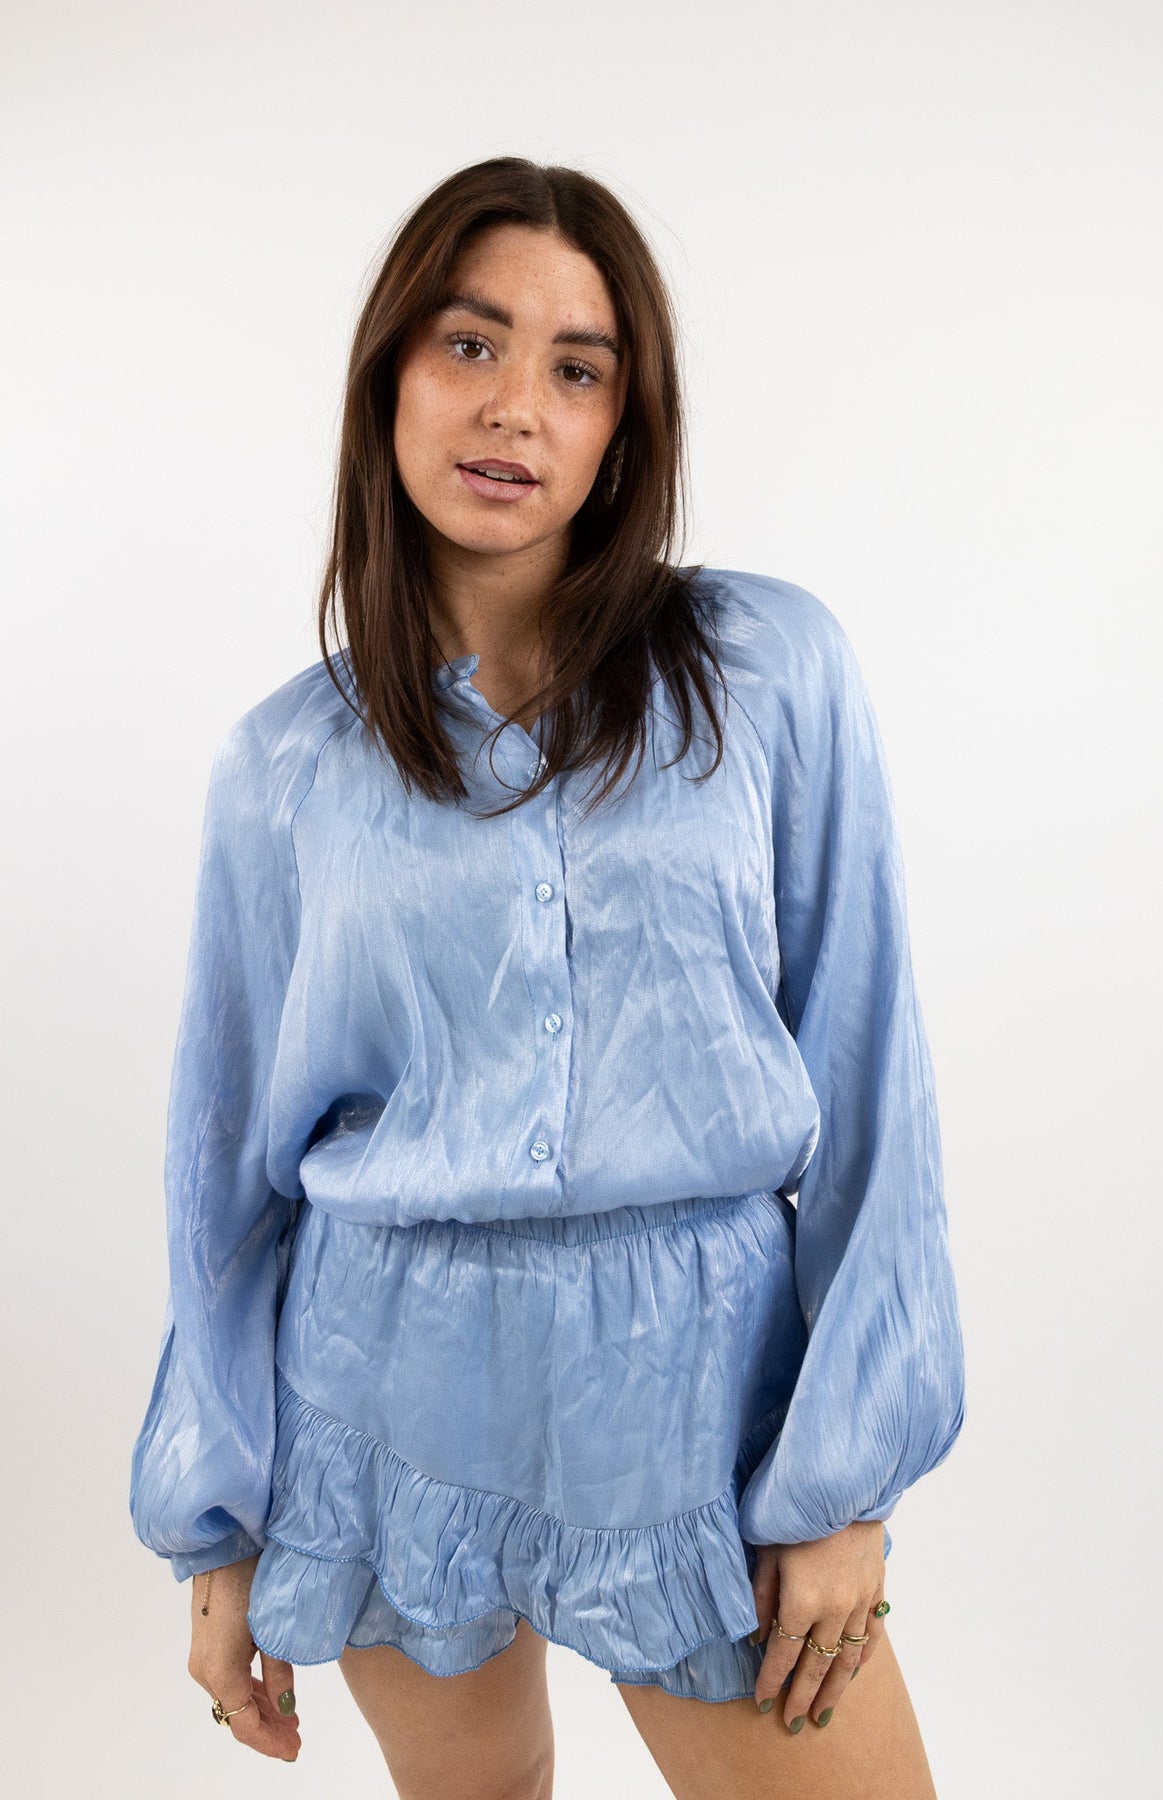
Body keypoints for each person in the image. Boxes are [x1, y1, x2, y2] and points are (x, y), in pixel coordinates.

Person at [128, 155, 966, 1799]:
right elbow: (224, 1174)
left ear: (621, 427)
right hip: (383, 1393)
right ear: (388, 378)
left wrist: (846, 1486)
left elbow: (873, 1079)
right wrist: (214, 1533)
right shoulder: (283, 767)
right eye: (470, 344)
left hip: (701, 1396)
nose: (515, 405)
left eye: (577, 369)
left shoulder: (770, 673)